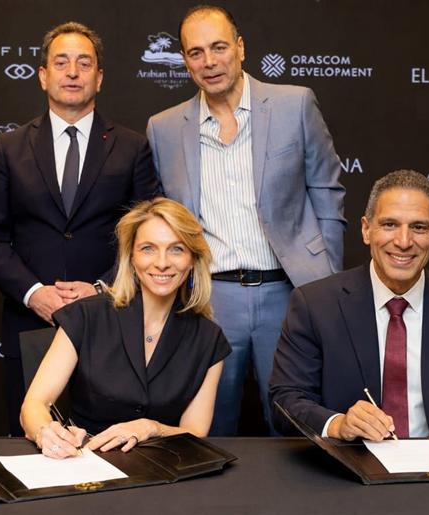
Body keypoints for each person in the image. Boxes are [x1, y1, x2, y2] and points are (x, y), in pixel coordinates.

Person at [146, 5, 346, 435]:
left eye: (219, 47)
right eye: (196, 52)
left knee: (296, 423)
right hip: (210, 299)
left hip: (290, 293)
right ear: (185, 61)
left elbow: (327, 192)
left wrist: (325, 277)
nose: (209, 61)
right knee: (209, 426)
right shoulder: (163, 128)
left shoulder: (295, 104)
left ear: (240, 48)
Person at [0, 21, 160, 436]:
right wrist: (34, 293)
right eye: (61, 63)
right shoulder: (10, 147)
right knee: (37, 440)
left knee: (113, 446)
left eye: (84, 63)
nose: (73, 72)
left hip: (112, 322)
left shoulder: (132, 147)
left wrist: (103, 288)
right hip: (31, 323)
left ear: (99, 77)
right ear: (43, 75)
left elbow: (149, 238)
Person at [269, 170, 429, 444]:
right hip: (350, 463)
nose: (403, 242)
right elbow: (286, 400)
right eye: (389, 224)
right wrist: (338, 424)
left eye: (419, 227)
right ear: (366, 230)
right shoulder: (315, 305)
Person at [21, 198, 230, 458]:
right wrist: (46, 432)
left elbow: (195, 433)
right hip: (85, 462)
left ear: (192, 259)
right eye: (148, 248)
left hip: (162, 467)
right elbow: (34, 405)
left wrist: (151, 428)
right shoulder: (86, 316)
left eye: (176, 249)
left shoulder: (209, 338)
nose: (162, 262)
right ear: (131, 257)